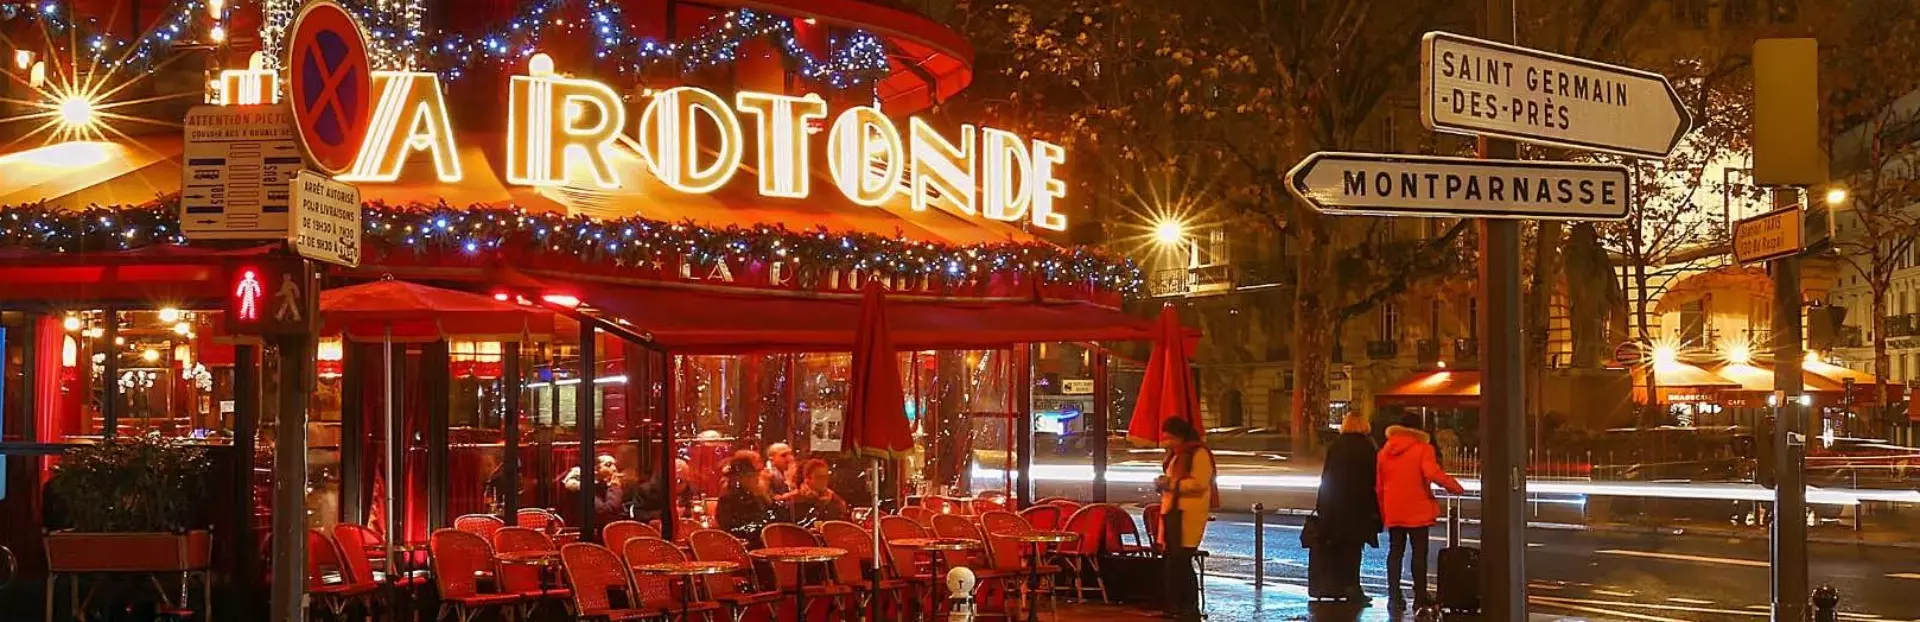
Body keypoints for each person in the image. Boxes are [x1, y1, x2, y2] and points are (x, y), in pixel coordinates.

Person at [1376, 413, 1466, 611]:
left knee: (1395, 552)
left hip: (1394, 509)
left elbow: (1379, 486)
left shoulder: (1385, 452)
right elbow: (1432, 473)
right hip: (1417, 509)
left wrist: (1384, 511)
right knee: (1419, 554)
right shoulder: (1423, 449)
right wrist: (1454, 486)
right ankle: (1420, 596)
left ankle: (1394, 596)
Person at [1313, 412, 1382, 605]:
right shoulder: (1367, 447)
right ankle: (1352, 587)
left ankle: (1337, 586)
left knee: (1338, 546)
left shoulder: (1335, 446)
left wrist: (1322, 504)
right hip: (1358, 507)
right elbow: (1373, 479)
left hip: (1334, 504)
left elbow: (1327, 477)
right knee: (1354, 549)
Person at [1153, 417, 1217, 622]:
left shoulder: (1198, 453)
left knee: (1182, 561)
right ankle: (1175, 606)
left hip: (1187, 514)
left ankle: (1189, 609)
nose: (1167, 441)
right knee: (1172, 562)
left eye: (1170, 437)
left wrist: (1170, 484)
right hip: (1172, 512)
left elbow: (1199, 483)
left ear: (1180, 436)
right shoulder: (1176, 455)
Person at [715, 452, 788, 547]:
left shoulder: (756, 494)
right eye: (754, 474)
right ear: (742, 477)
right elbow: (734, 528)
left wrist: (766, 496)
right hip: (746, 546)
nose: (757, 477)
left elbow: (779, 517)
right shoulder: (731, 498)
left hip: (763, 542)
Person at [785, 458, 850, 525]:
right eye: (819, 477)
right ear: (807, 479)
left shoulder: (833, 499)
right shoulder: (795, 499)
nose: (824, 481)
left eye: (826, 477)